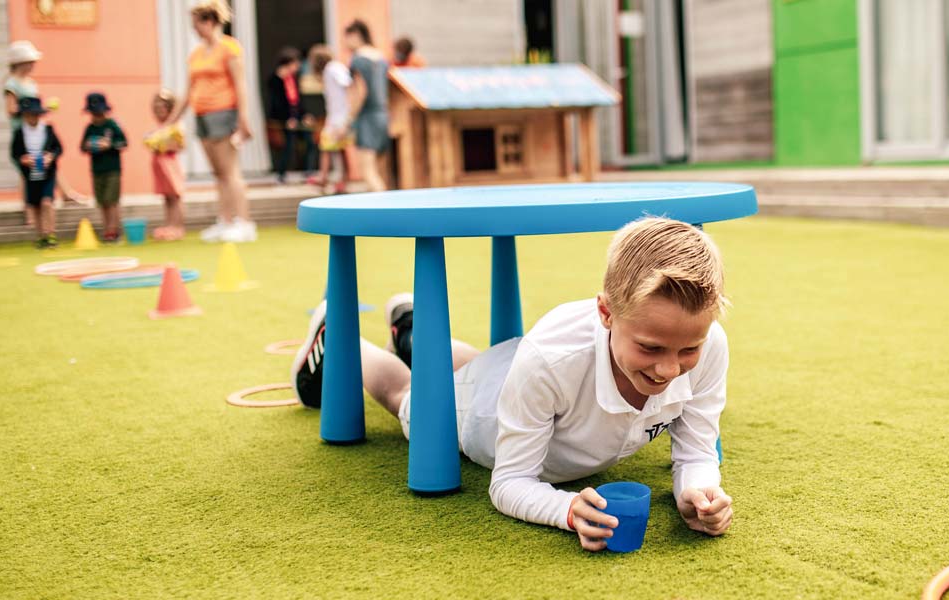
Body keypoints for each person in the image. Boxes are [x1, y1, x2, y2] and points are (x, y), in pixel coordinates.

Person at [290, 217, 734, 551]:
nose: (670, 370)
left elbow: (695, 451)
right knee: (408, 394)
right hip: (482, 416)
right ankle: (337, 337)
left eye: (687, 351)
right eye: (651, 348)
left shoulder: (707, 342)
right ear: (606, 314)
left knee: (481, 366)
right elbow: (510, 483)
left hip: (519, 371)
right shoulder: (551, 360)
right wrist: (564, 509)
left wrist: (696, 492)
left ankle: (412, 328)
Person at [166, 0, 256, 243]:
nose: (194, 30)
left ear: (210, 22)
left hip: (223, 113)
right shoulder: (195, 54)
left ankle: (245, 223)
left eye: (197, 24)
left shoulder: (230, 48)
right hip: (202, 115)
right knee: (218, 173)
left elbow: (240, 84)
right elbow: (188, 91)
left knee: (230, 171)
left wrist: (244, 119)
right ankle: (225, 221)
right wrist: (170, 122)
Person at [2, 40, 88, 225]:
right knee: (26, 168)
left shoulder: (30, 82)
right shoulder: (11, 83)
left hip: (37, 129)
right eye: (30, 61)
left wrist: (42, 109)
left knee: (48, 161)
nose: (33, 65)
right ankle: (29, 208)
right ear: (20, 62)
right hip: (22, 131)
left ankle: (65, 193)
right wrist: (28, 111)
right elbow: (10, 110)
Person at [343, 19, 393, 191]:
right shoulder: (380, 57)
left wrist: (350, 118)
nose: (345, 42)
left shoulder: (358, 59)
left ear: (356, 35)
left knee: (368, 172)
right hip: (383, 115)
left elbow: (360, 92)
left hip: (367, 117)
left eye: (347, 37)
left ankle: (384, 215)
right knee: (380, 172)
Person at [10, 97, 61, 248]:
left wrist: (50, 157)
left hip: (47, 173)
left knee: (47, 202)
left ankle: (51, 233)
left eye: (34, 114)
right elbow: (14, 153)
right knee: (35, 205)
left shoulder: (48, 129)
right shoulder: (19, 133)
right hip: (30, 175)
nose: (31, 117)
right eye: (27, 115)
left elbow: (58, 148)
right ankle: (41, 236)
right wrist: (23, 160)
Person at [80, 92, 127, 243]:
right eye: (93, 113)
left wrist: (109, 145)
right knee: (102, 201)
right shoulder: (90, 128)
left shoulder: (112, 125)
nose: (96, 116)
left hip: (113, 169)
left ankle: (114, 230)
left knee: (111, 200)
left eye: (99, 113)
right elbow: (82, 147)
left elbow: (123, 143)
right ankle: (106, 228)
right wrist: (88, 146)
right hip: (97, 169)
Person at [265, 46, 316, 184]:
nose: (298, 66)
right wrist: (287, 119)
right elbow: (277, 103)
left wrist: (304, 115)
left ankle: (308, 171)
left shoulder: (293, 78)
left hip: (296, 118)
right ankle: (281, 174)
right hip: (284, 119)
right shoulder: (275, 80)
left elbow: (298, 100)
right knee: (287, 146)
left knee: (310, 142)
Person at [306, 44, 350, 194]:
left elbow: (347, 84)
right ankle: (344, 180)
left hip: (339, 117)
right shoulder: (331, 70)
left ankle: (323, 177)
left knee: (325, 146)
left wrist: (345, 117)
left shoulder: (333, 68)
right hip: (338, 116)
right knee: (340, 149)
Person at [145, 90, 187, 241]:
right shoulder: (159, 127)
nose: (158, 111)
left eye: (162, 108)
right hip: (159, 164)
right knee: (167, 197)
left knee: (175, 196)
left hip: (170, 164)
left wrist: (163, 145)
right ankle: (169, 225)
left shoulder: (175, 125)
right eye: (156, 108)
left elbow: (181, 145)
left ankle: (178, 227)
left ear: (170, 109)